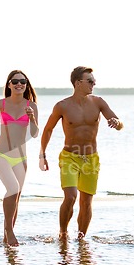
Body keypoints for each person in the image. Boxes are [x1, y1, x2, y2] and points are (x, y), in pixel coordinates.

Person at [39, 66, 123, 240]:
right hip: (69, 157)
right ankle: (63, 233)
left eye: (94, 81)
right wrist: (43, 154)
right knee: (70, 197)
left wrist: (117, 122)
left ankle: (81, 238)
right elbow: (48, 130)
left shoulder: (98, 102)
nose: (93, 84)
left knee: (86, 202)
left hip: (91, 159)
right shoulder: (62, 106)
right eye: (90, 81)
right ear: (78, 83)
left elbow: (120, 123)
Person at [0, 70, 39, 246]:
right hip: (1, 154)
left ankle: (7, 237)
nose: (19, 84)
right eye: (15, 81)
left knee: (16, 196)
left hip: (21, 159)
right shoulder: (0, 104)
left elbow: (35, 134)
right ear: (9, 84)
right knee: (13, 188)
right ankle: (9, 231)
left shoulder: (32, 106)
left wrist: (32, 119)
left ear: (26, 84)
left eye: (23, 81)